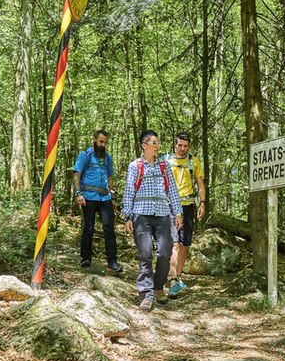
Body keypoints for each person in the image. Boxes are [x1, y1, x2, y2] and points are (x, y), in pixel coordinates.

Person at [122, 130, 183, 312]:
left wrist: (177, 212)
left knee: (165, 252)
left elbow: (172, 190)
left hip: (163, 214)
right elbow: (129, 192)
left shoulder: (164, 166)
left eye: (158, 143)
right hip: (141, 215)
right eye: (154, 143)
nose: (157, 146)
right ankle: (146, 294)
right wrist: (127, 216)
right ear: (144, 145)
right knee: (145, 254)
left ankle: (158, 287)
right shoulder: (135, 166)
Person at [73, 129, 121, 273]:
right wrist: (78, 193)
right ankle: (85, 258)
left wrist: (112, 196)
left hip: (105, 198)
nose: (103, 144)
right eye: (101, 141)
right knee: (89, 227)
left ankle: (112, 262)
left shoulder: (107, 157)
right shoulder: (84, 155)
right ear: (94, 140)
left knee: (109, 229)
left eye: (105, 142)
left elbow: (110, 177)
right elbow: (76, 175)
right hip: (88, 197)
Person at [164, 133, 206, 298]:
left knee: (184, 244)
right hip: (169, 206)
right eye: (180, 145)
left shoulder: (193, 161)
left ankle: (179, 276)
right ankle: (173, 279)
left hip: (188, 206)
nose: (182, 149)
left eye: (185, 146)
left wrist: (202, 202)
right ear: (175, 144)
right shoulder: (166, 160)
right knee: (173, 242)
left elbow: (200, 183)